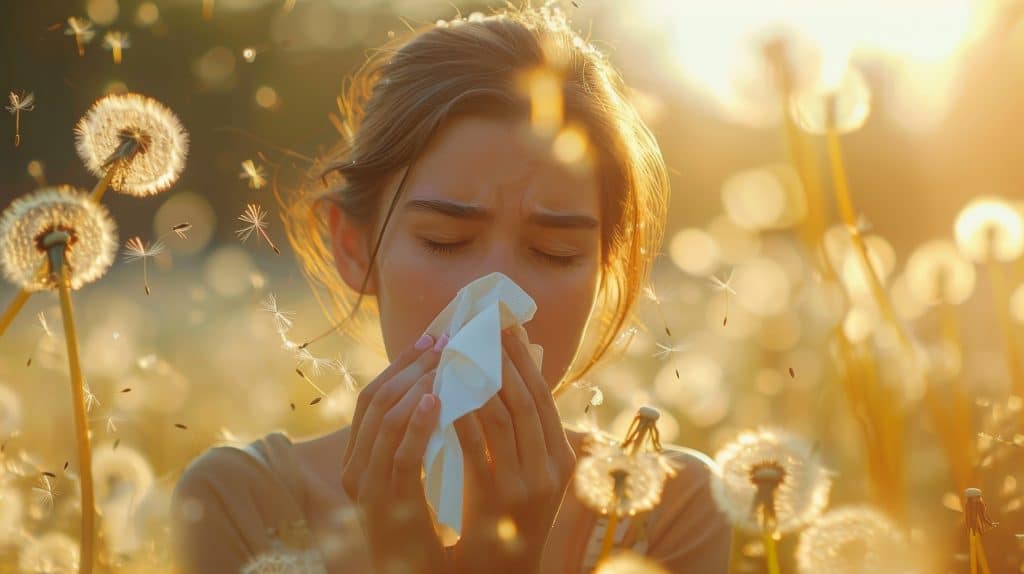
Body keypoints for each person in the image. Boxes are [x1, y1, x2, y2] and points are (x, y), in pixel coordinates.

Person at [170, 3, 732, 572]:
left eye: (555, 251)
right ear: (354, 247)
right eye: (444, 240)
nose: (492, 298)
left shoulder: (670, 511)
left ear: (606, 269)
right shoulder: (241, 502)